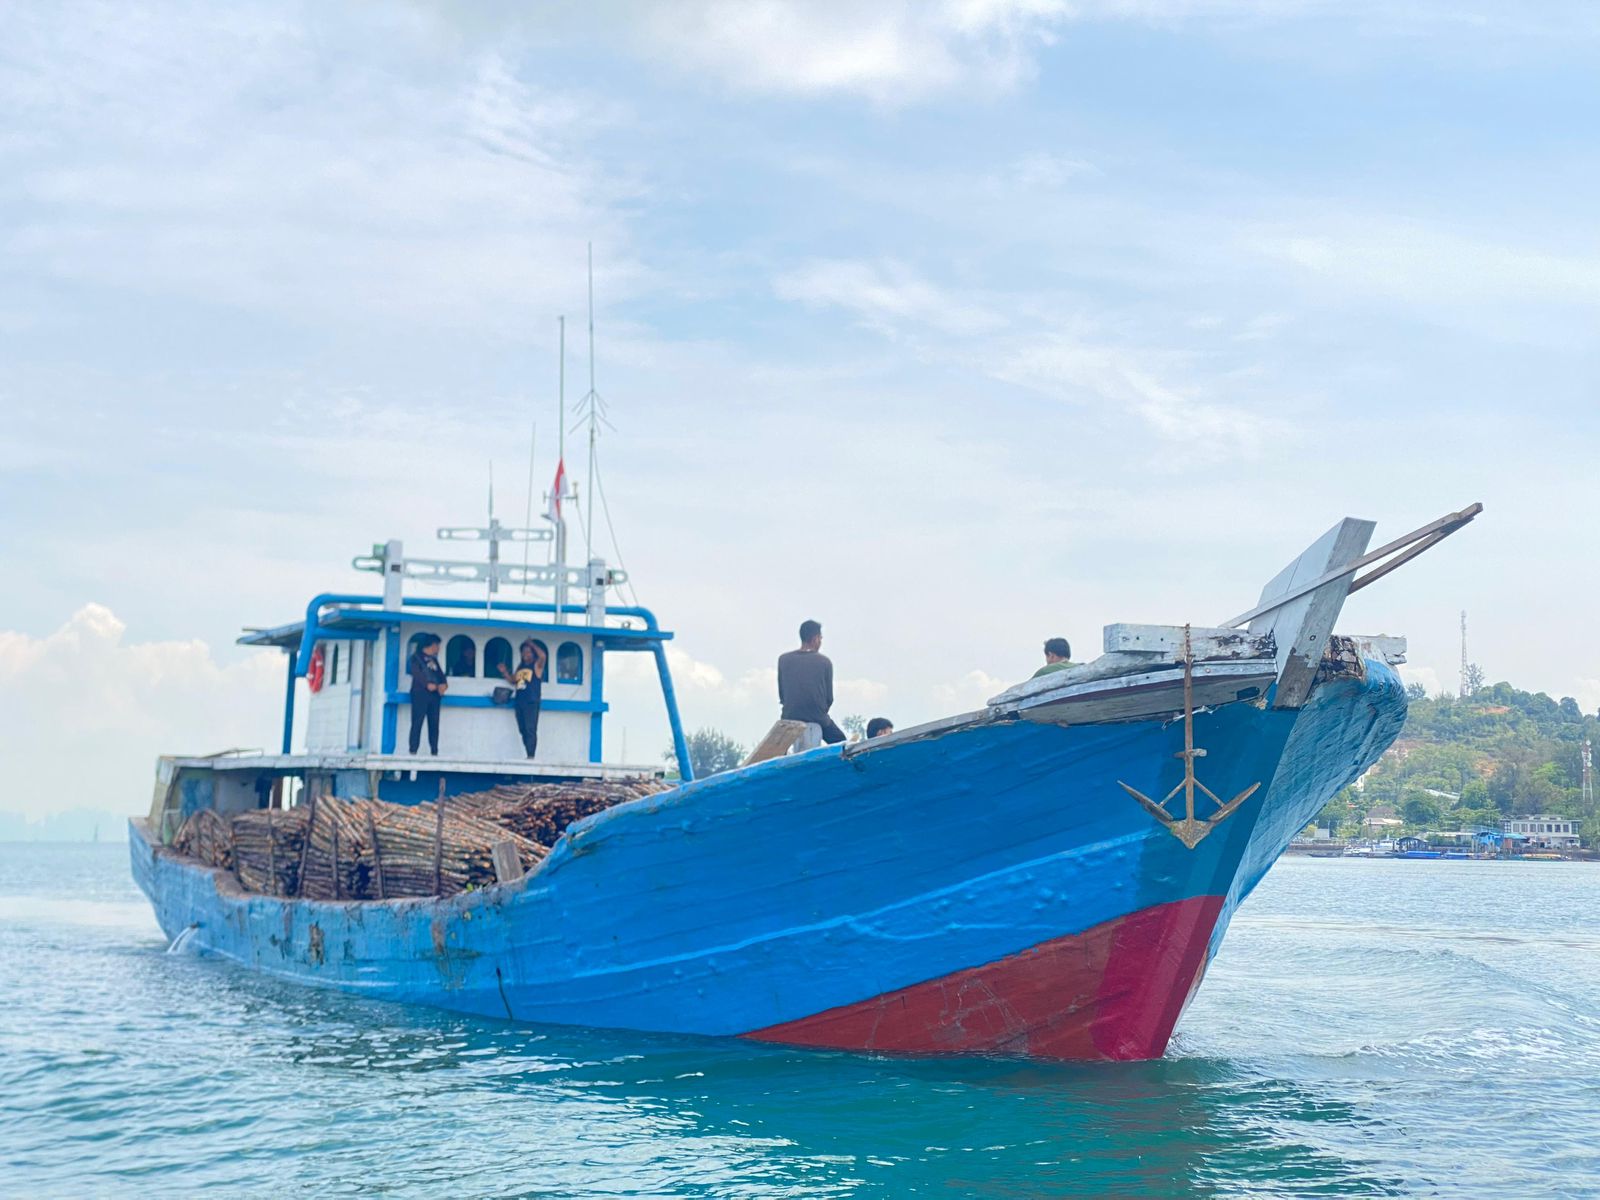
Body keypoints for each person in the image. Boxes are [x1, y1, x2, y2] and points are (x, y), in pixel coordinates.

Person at [778, 619, 846, 751]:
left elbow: (782, 694)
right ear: (815, 639)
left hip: (790, 715)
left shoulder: (784, 660)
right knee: (842, 744)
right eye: (820, 638)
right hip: (817, 716)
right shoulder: (824, 662)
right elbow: (829, 698)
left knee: (779, 750)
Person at [500, 639, 547, 758]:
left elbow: (543, 656)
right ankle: (528, 753)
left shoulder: (536, 665)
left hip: (531, 701)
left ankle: (531, 755)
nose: (526, 654)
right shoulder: (520, 667)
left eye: (528, 652)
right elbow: (513, 680)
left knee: (530, 729)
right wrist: (505, 672)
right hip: (520, 700)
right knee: (523, 729)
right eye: (524, 652)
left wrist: (531, 644)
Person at [407, 635, 447, 755]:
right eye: (437, 645)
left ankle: (434, 751)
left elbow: (440, 674)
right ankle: (413, 750)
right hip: (420, 694)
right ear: (432, 645)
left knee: (434, 723)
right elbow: (416, 674)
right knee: (417, 722)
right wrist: (427, 684)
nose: (438, 648)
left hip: (434, 696)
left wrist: (444, 684)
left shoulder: (434, 659)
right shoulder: (416, 658)